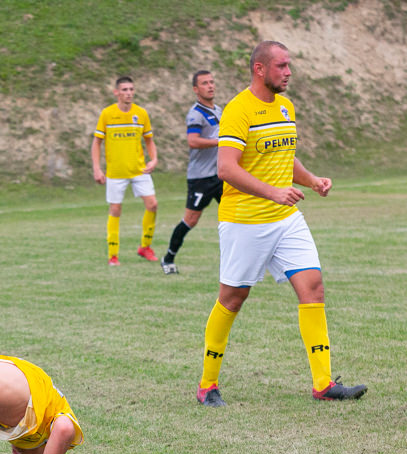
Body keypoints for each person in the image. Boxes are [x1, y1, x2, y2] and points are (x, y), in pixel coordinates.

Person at [197, 40, 367, 407]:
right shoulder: (238, 111)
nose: (288, 72)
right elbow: (226, 168)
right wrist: (273, 193)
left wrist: (313, 180)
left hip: (286, 219)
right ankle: (207, 385)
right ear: (260, 69)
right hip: (245, 221)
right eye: (282, 66)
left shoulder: (286, 107)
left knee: (313, 287)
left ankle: (323, 383)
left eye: (289, 66)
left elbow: (286, 157)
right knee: (233, 298)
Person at [91, 76, 160, 266]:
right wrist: (97, 169)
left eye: (131, 89)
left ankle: (145, 247)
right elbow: (96, 143)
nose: (128, 93)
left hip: (139, 170)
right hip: (115, 172)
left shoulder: (141, 114)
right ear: (116, 93)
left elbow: (149, 140)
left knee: (152, 205)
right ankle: (113, 254)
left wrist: (153, 159)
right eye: (124, 90)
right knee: (115, 209)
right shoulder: (107, 114)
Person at [161, 70, 223, 275]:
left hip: (221, 175)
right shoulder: (196, 114)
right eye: (205, 83)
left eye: (212, 82)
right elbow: (193, 141)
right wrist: (220, 141)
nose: (210, 86)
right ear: (196, 89)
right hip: (201, 178)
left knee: (239, 215)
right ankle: (168, 258)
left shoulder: (219, 111)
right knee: (191, 219)